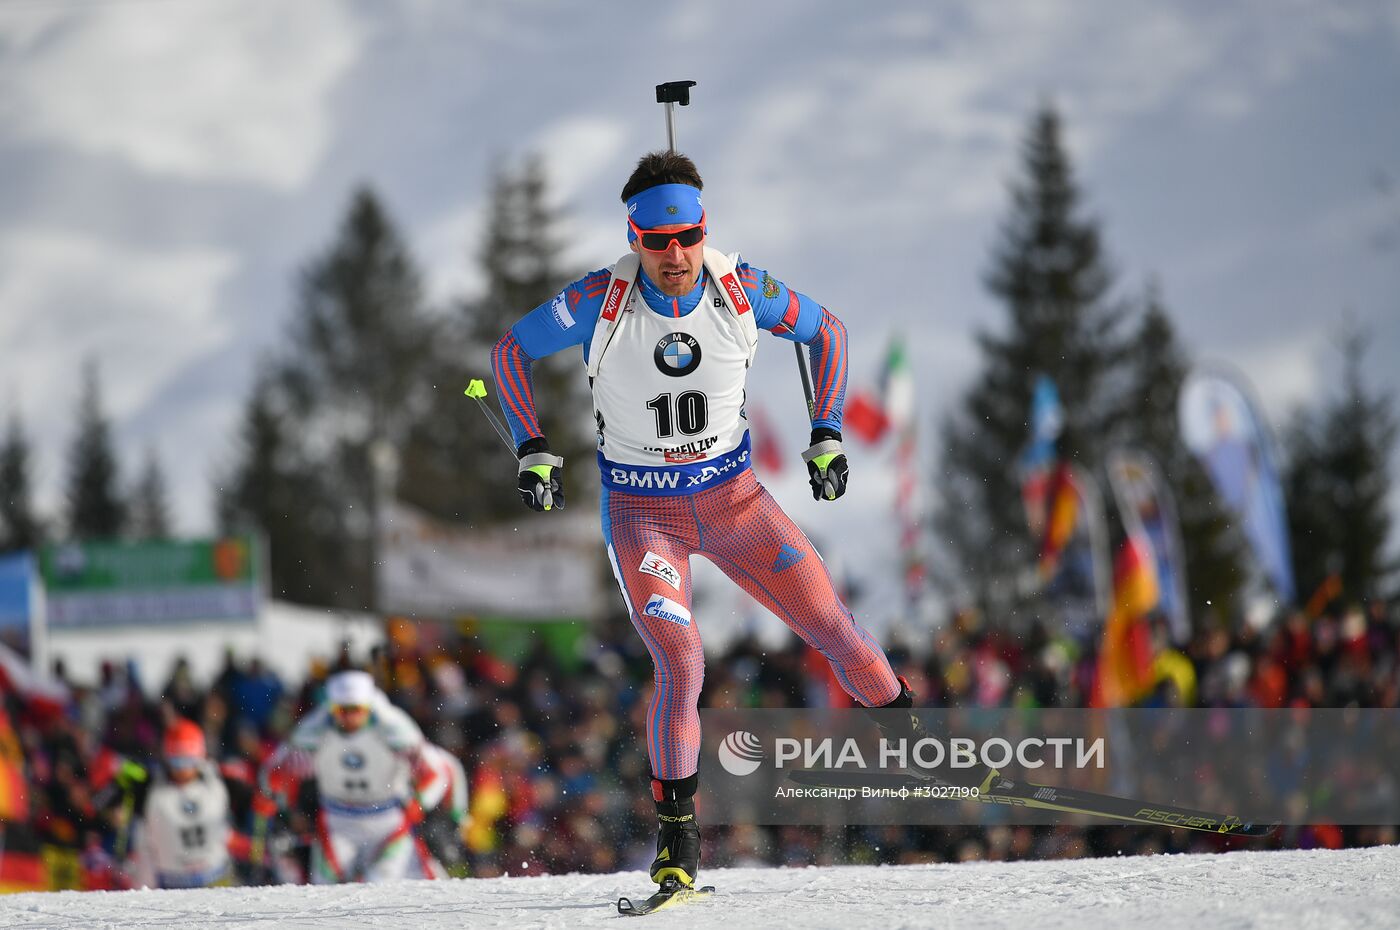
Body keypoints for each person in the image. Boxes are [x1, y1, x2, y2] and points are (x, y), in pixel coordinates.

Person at [490, 151, 919, 891]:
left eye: (686, 236)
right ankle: (678, 843)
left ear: (702, 228)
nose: (675, 256)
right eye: (656, 243)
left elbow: (830, 334)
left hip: (736, 504)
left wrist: (827, 434)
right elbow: (509, 354)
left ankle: (924, 749)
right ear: (634, 238)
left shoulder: (739, 286)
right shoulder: (602, 298)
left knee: (837, 629)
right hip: (644, 516)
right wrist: (532, 450)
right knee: (682, 663)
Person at [259, 669, 447, 883]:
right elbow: (277, 771)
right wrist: (288, 808)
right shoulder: (313, 730)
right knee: (324, 886)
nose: (348, 717)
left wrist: (421, 802)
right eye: (341, 710)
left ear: (368, 706)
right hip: (337, 821)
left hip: (386, 820)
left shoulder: (393, 727)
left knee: (384, 885)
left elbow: (438, 769)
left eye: (356, 710)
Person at [127, 718, 234, 889]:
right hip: (172, 883)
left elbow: (229, 829)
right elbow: (143, 844)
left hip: (216, 878)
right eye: (177, 762)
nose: (183, 770)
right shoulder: (151, 789)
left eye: (189, 762)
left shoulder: (216, 781)